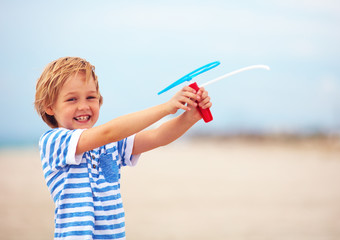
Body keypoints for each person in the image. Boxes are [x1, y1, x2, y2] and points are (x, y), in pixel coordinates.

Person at [34, 57, 212, 240]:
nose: (83, 106)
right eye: (71, 99)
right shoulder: (54, 141)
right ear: (50, 107)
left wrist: (190, 117)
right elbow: (108, 132)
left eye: (91, 97)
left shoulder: (110, 143)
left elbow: (157, 136)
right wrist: (166, 108)